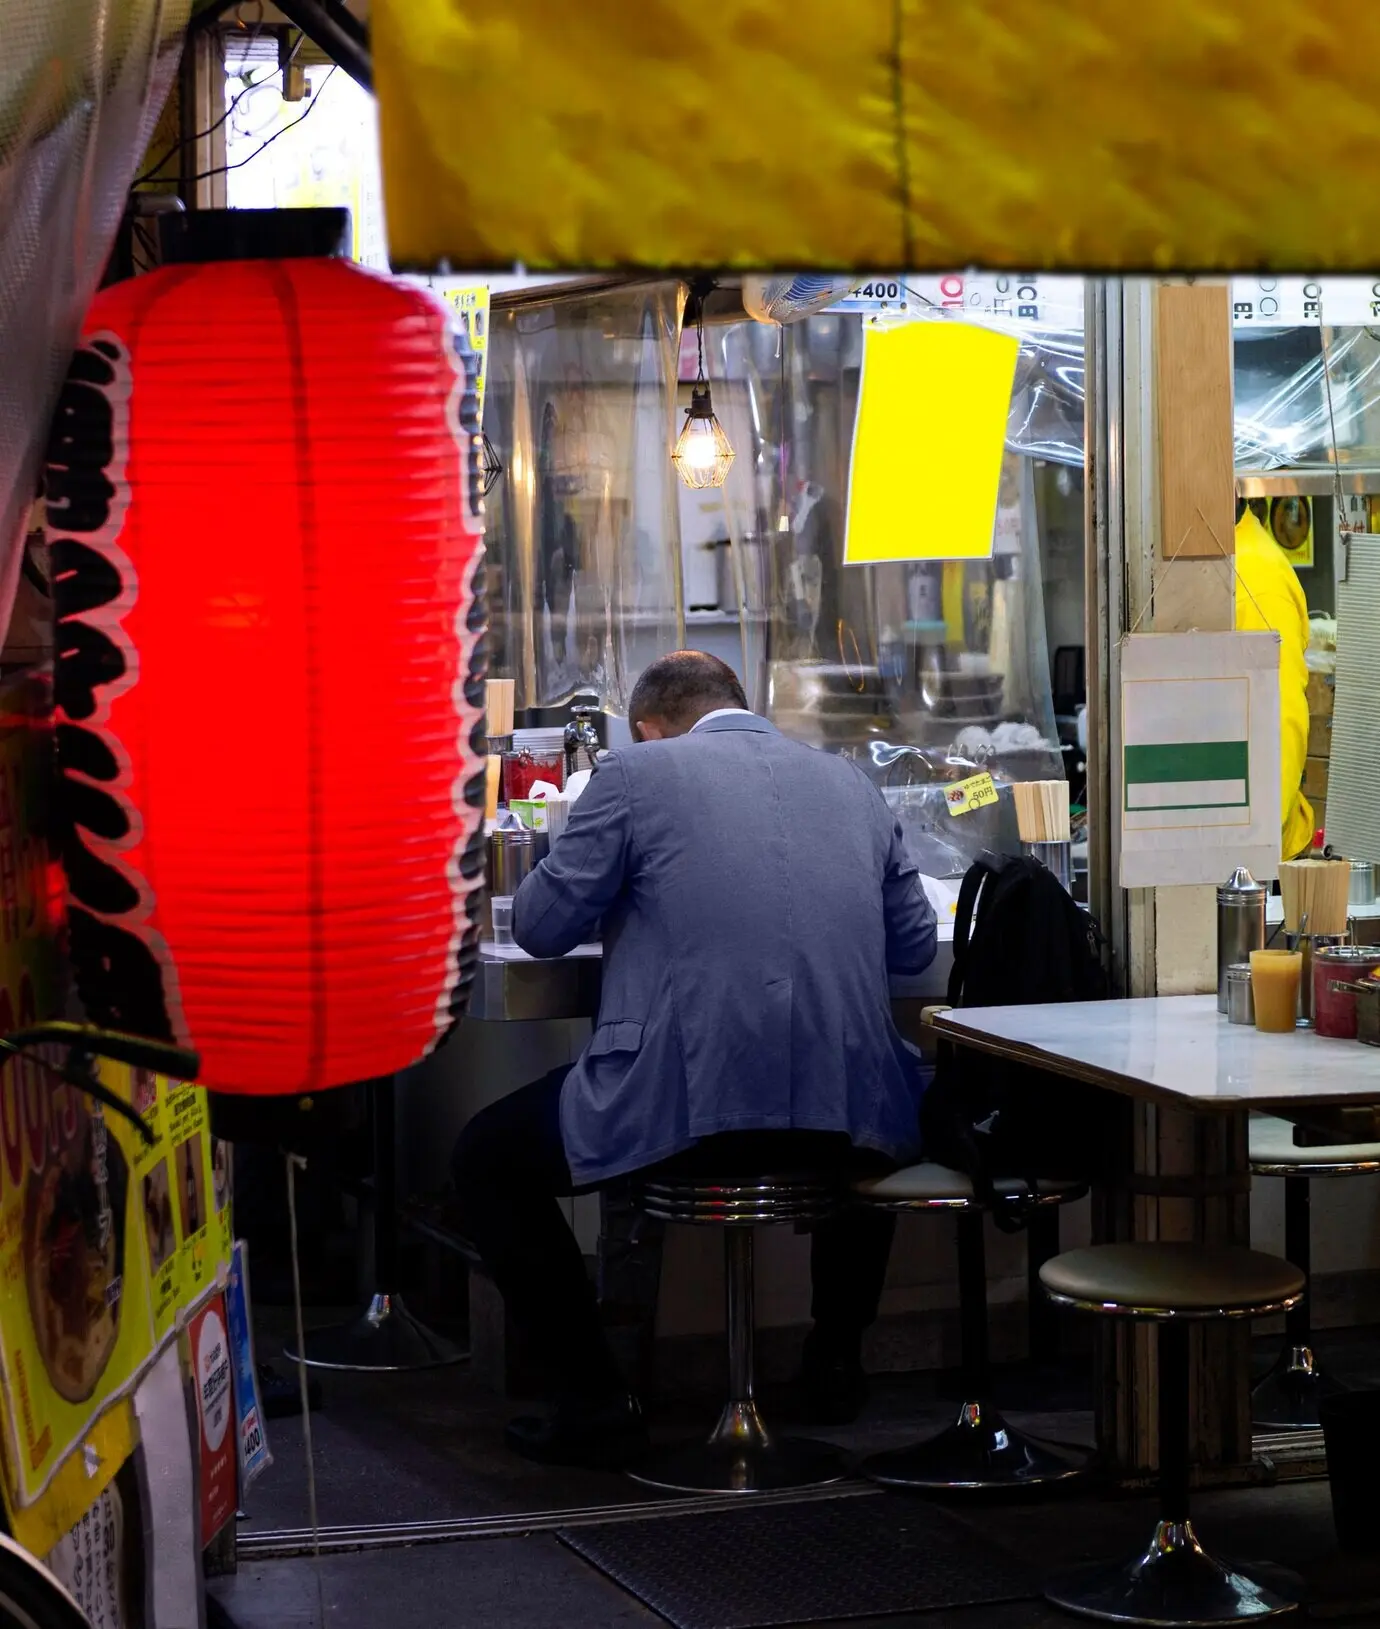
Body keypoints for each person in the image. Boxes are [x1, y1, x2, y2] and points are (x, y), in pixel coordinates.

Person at [452, 651, 937, 1467]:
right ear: (736, 705)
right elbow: (917, 945)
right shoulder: (851, 783)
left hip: (683, 1113)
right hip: (848, 1121)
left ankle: (595, 1399)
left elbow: (537, 926)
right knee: (866, 1110)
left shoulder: (634, 775)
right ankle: (833, 1362)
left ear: (648, 726)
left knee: (484, 1159)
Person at [1235, 501, 1314, 859]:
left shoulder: (1256, 576)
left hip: (1258, 858)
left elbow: (1281, 720)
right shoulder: (1225, 558)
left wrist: (1253, 850)